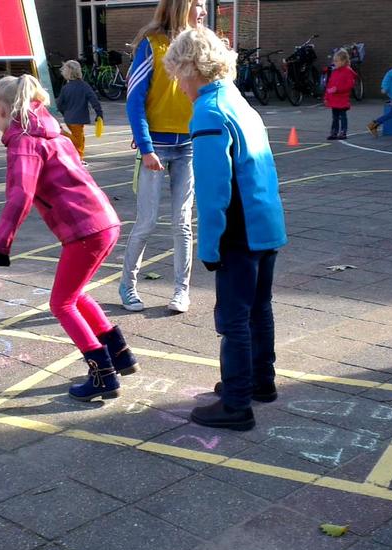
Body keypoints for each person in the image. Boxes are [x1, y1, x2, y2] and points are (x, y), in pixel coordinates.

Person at [0, 74, 139, 402]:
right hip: (104, 222)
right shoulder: (54, 133)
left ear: (0, 109)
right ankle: (119, 354)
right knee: (76, 293)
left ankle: (102, 376)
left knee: (61, 303)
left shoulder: (24, 140)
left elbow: (19, 195)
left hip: (86, 230)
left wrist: (2, 243)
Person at [163, 27, 287, 431]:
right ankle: (260, 381)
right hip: (265, 221)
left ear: (189, 68)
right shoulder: (236, 99)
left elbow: (215, 189)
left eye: (177, 75)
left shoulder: (209, 110)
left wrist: (209, 248)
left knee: (232, 318)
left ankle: (236, 403)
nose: (178, 85)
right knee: (258, 308)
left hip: (239, 228)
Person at [120, 0, 207, 314]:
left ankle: (181, 291)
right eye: (198, 4)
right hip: (155, 146)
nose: (204, 11)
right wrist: (146, 148)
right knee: (146, 221)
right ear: (182, 6)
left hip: (189, 146)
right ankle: (127, 285)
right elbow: (135, 99)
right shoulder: (151, 44)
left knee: (182, 223)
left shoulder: (201, 44)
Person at [56, 60, 103, 162]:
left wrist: (65, 113)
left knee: (81, 138)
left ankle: (78, 157)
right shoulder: (84, 86)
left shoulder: (65, 88)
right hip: (78, 118)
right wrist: (99, 113)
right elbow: (94, 100)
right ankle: (78, 158)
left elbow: (59, 104)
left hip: (68, 118)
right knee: (78, 141)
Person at [324, 49, 357, 140]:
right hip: (334, 99)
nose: (334, 62)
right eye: (334, 60)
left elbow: (349, 85)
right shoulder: (334, 72)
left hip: (342, 99)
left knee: (342, 116)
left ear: (343, 61)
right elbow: (329, 85)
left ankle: (343, 132)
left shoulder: (348, 71)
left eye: (336, 61)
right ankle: (334, 132)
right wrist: (326, 97)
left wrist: (337, 89)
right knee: (334, 117)